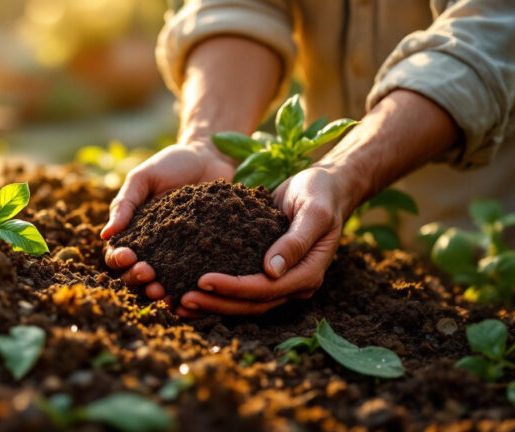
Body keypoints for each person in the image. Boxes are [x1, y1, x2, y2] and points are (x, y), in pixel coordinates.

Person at [101, 0, 515, 318]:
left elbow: (490, 34)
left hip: (481, 229)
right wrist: (206, 142)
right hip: (316, 198)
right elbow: (239, 5)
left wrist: (344, 172)